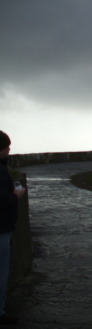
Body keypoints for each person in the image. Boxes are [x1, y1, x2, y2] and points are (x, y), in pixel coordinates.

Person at [0, 131, 25, 325]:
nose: (9, 150)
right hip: (1, 228)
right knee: (2, 272)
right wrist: (16, 195)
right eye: (7, 146)